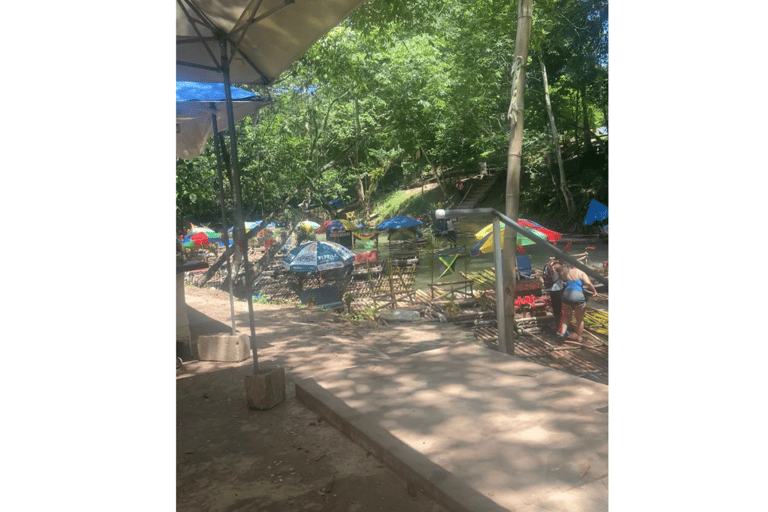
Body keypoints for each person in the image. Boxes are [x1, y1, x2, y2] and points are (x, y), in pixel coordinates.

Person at [556, 263, 597, 342]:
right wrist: (594, 291)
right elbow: (587, 283)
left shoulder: (567, 272)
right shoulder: (581, 273)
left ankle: (562, 334)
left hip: (566, 295)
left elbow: (561, 276)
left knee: (566, 317)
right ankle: (579, 337)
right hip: (578, 296)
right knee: (579, 319)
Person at [542, 258, 564, 332]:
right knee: (560, 309)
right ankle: (560, 327)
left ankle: (557, 325)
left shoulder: (547, 266)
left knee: (555, 309)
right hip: (558, 288)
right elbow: (562, 277)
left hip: (551, 289)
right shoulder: (557, 266)